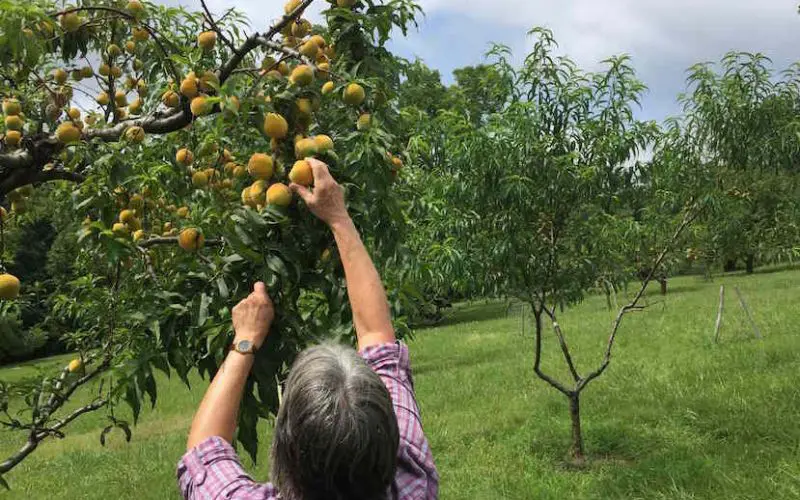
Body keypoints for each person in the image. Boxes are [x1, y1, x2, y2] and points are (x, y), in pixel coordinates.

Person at [177, 158, 439, 499]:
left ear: (283, 449)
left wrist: (245, 339)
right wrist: (339, 217)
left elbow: (203, 451)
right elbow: (378, 339)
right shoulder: (411, 480)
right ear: (390, 438)